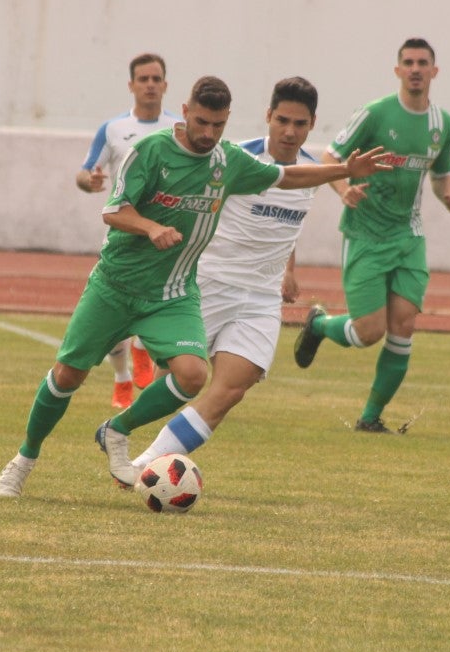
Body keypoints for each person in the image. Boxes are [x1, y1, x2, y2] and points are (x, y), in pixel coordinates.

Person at [0, 75, 389, 497]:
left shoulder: (228, 161)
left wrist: (346, 170)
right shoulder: (149, 151)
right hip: (117, 284)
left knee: (191, 375)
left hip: (174, 291)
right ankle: (25, 458)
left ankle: (119, 433)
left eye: (217, 126)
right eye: (201, 122)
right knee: (67, 376)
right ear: (184, 112)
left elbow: (285, 178)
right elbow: (113, 211)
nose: (208, 134)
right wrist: (150, 227)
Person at [129, 76, 322, 471]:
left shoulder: (312, 175)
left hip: (260, 299)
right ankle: (123, 426)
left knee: (230, 390)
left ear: (312, 125)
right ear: (267, 116)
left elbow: (287, 226)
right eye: (282, 119)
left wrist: (289, 269)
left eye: (300, 124)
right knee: (177, 382)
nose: (289, 131)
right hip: (207, 285)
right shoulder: (231, 158)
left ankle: (147, 464)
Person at [293, 37, 450, 433]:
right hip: (366, 234)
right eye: (408, 62)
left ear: (434, 71)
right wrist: (343, 189)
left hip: (409, 237)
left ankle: (370, 418)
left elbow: (441, 178)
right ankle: (318, 324)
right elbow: (330, 157)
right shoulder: (373, 114)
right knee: (368, 332)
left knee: (403, 324)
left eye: (423, 62)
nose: (416, 69)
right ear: (398, 70)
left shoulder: (443, 124)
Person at [75, 53, 179, 410]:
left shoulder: (178, 129)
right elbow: (86, 171)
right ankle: (122, 377)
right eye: (143, 79)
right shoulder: (114, 129)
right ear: (131, 85)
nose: (150, 85)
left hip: (163, 235)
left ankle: (142, 348)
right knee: (114, 316)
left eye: (156, 79)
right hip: (122, 234)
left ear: (165, 85)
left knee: (156, 307)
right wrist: (90, 181)